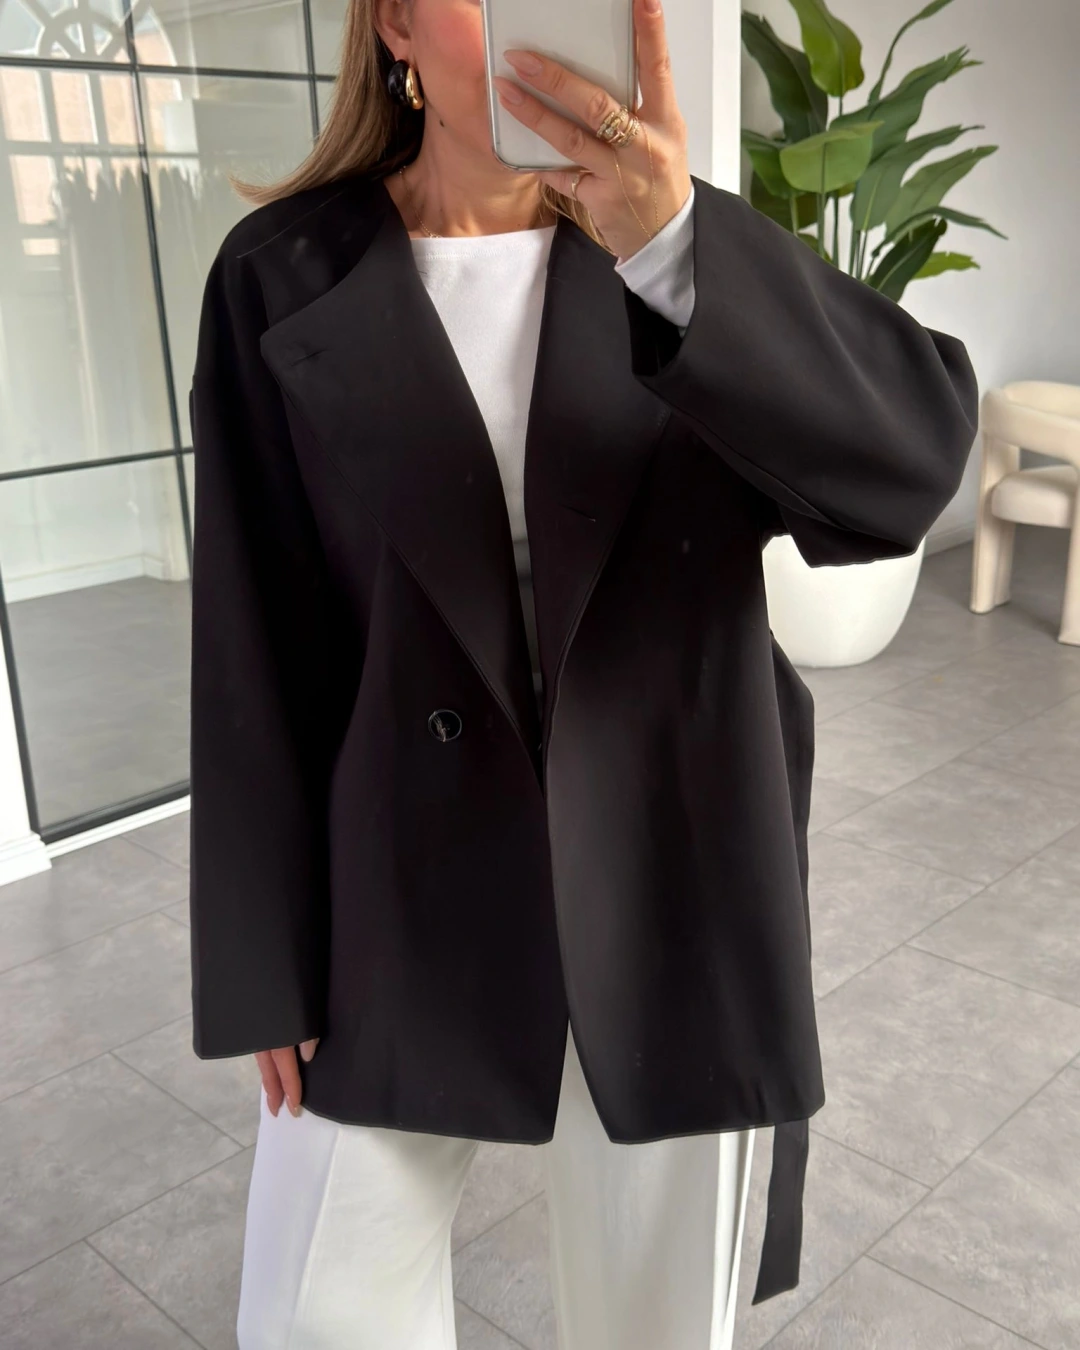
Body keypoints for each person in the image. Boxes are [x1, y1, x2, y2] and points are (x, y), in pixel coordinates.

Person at [186, 0, 981, 1345]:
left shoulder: (676, 253)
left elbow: (911, 467)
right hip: (396, 890)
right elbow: (251, 639)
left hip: (677, 877)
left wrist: (674, 248)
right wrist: (264, 955)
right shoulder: (278, 276)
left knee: (656, 1326)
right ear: (394, 22)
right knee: (317, 1311)